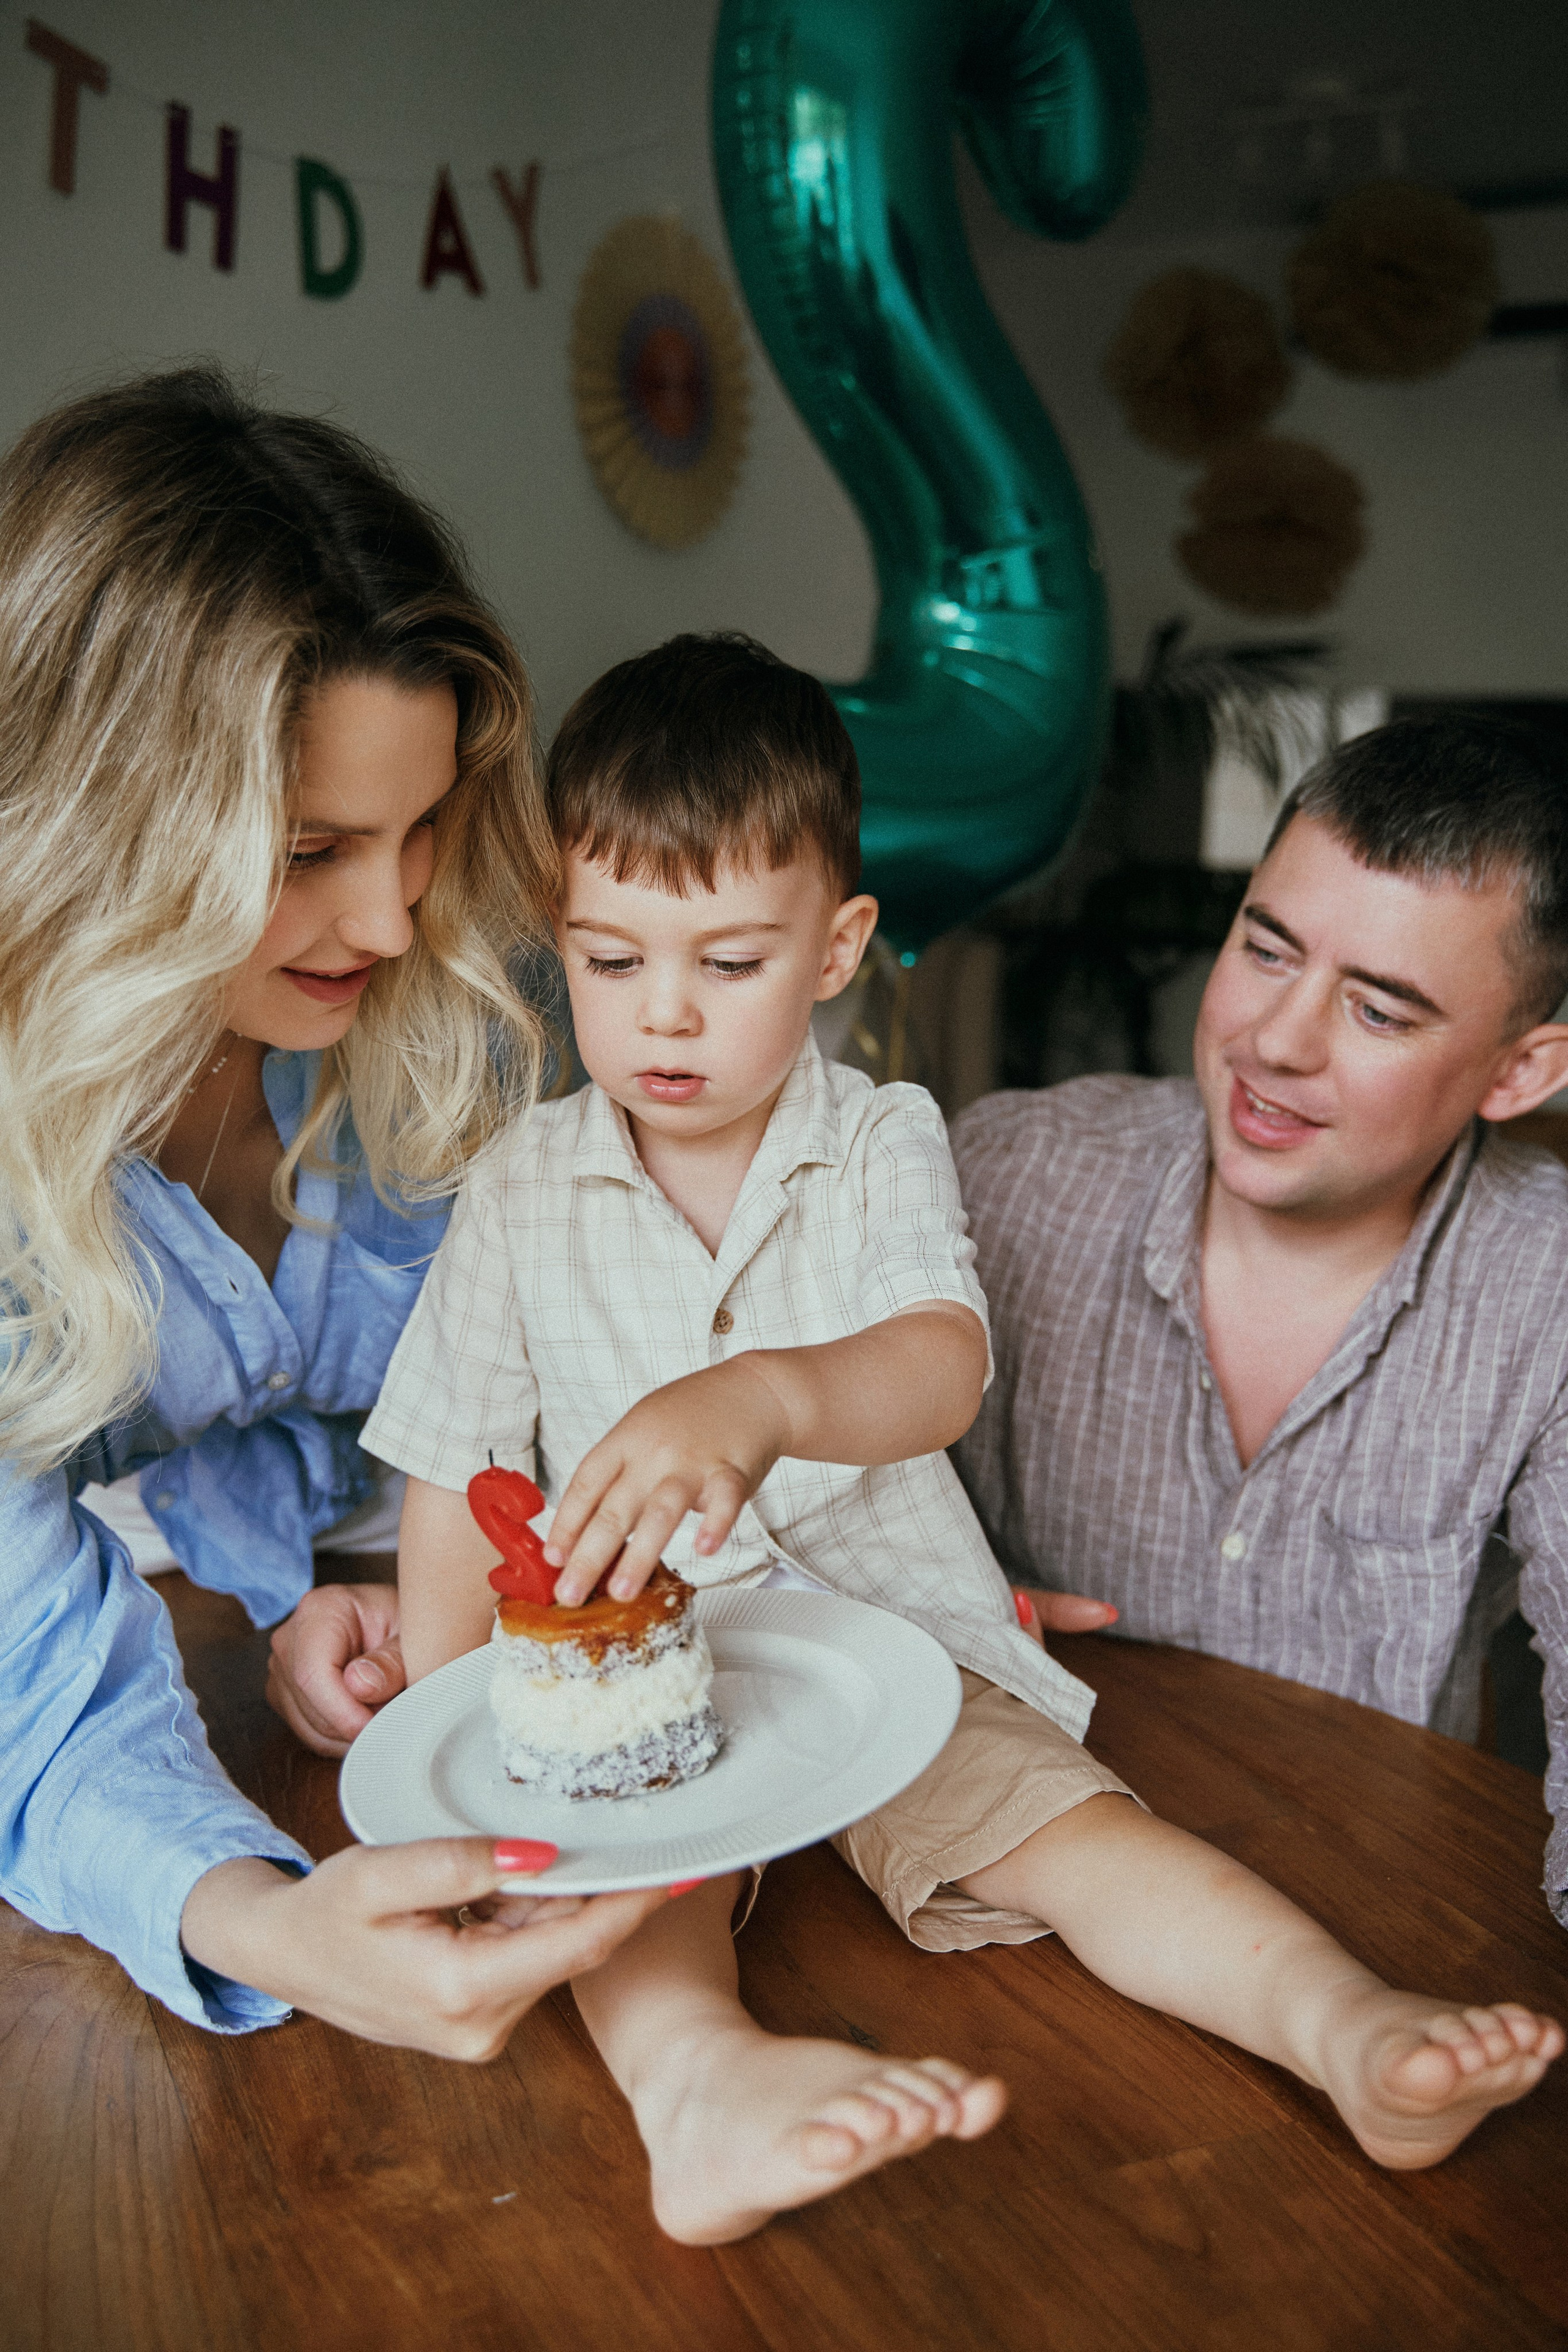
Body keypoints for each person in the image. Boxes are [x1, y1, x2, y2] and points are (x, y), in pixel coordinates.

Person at [358, 638, 1560, 2247]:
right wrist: (451, 1753)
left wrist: (768, 1395)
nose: (663, 1018)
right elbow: (451, 1469)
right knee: (626, 1899)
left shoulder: (882, 1141)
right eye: (612, 960)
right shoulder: (516, 1187)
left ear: (838, 947)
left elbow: (940, 1369)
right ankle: (701, 2089)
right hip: (625, 1677)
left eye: (726, 965)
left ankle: (1342, 2027)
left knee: (1087, 1836)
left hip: (886, 1645)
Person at [0, 366, 675, 2052]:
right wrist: (273, 1924)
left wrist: (290, 1571)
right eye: (307, 850)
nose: (389, 917)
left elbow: (459, 1379)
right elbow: (25, 1696)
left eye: (424, 828)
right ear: (103, 826)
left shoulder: (436, 1010)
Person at [949, 714, 1568, 1932]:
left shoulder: (1545, 1283)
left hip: (1362, 1925)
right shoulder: (1005, 1175)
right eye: (1264, 947)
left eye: (1379, 1012)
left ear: (1518, 1073)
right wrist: (919, 1597)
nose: (1271, 1042)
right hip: (992, 1905)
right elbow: (780, 1548)